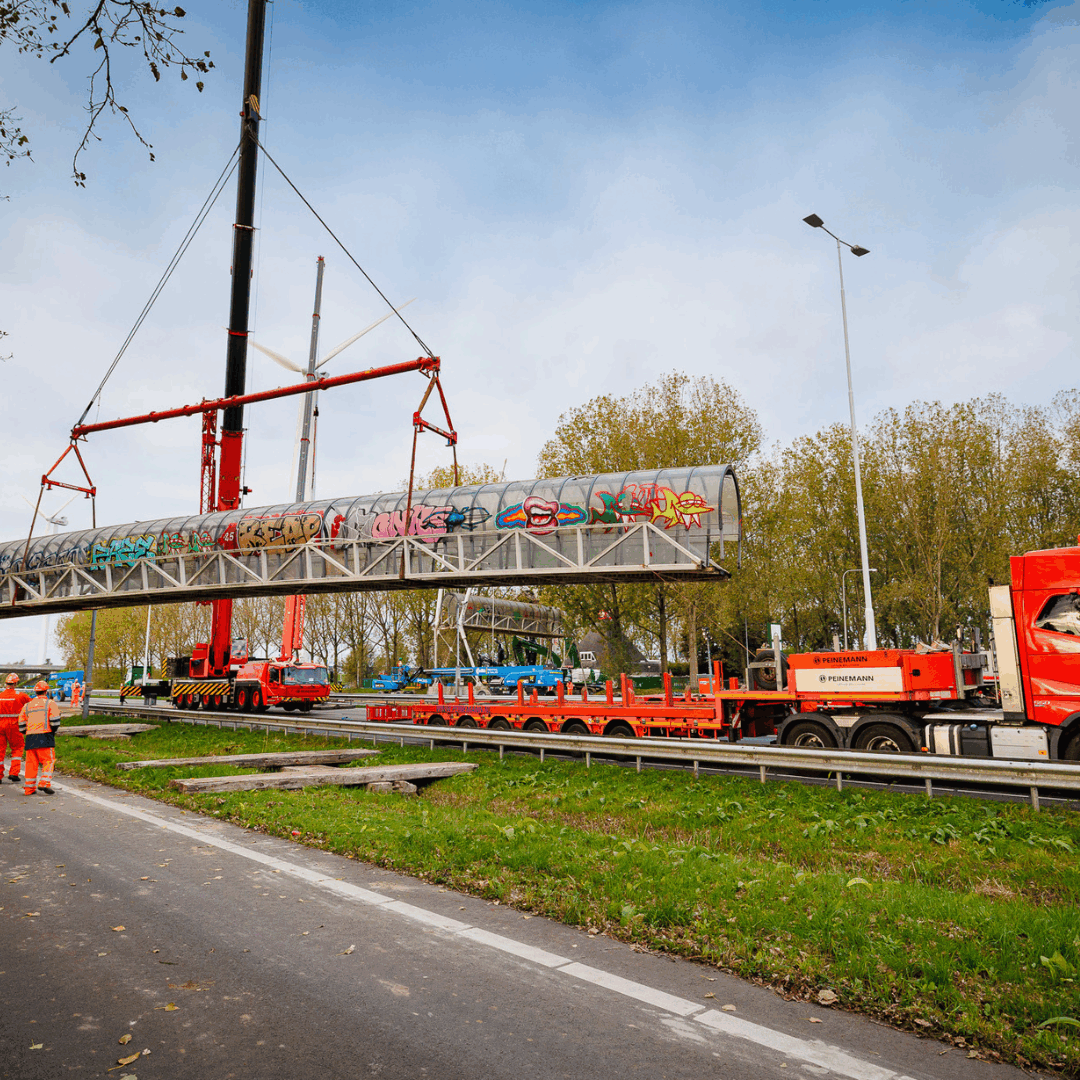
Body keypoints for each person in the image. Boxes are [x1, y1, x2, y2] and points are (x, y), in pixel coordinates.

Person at [17, 681, 61, 796]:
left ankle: (29, 789)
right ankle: (44, 783)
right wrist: (52, 732)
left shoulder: (27, 705)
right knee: (48, 761)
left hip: (30, 737)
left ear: (35, 692)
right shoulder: (50, 703)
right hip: (45, 736)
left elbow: (21, 723)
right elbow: (55, 722)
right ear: (46, 692)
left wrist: (26, 732)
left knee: (31, 764)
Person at [0, 673, 30, 783]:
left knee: (0, 750)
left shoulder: (0, 695)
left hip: (0, 725)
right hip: (15, 725)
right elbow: (32, 705)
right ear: (16, 683)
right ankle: (14, 773)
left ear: (6, 683)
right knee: (17, 748)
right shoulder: (21, 695)